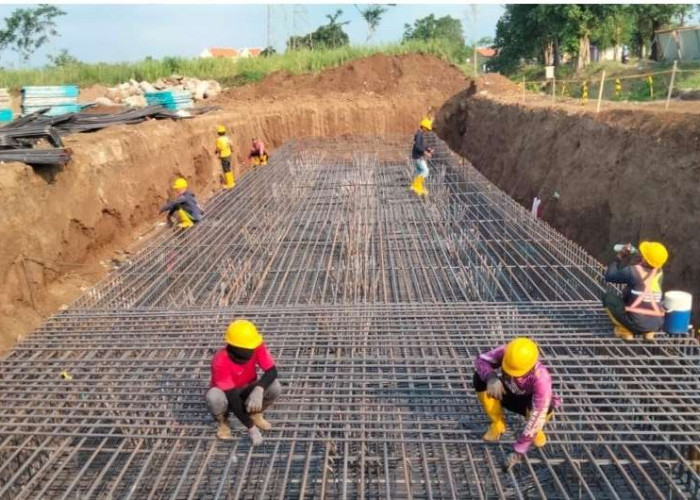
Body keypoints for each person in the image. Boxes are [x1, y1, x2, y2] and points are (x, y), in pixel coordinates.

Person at [473, 337, 560, 470]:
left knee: (546, 408)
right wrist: (491, 377)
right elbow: (481, 360)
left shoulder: (542, 378)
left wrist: (519, 450)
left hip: (527, 403)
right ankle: (497, 423)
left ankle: (536, 432)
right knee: (479, 378)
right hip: (506, 391)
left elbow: (538, 414)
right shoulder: (507, 352)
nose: (511, 373)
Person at [206, 319, 282, 446]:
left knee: (275, 386)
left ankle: (255, 413)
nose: (252, 350)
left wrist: (259, 389)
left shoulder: (255, 345)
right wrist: (250, 428)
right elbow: (233, 399)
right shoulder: (220, 361)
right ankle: (223, 421)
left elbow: (272, 371)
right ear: (236, 347)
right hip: (226, 394)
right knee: (213, 397)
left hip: (247, 388)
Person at [603, 241, 667, 342]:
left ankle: (625, 331)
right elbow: (642, 283)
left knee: (608, 297)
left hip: (636, 322)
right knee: (642, 298)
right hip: (656, 323)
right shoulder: (659, 272)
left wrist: (620, 256)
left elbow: (609, 276)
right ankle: (648, 333)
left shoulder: (633, 272)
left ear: (645, 259)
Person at [410, 118, 434, 196]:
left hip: (416, 156)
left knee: (419, 172)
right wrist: (425, 153)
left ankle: (417, 187)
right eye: (427, 129)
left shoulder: (420, 134)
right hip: (418, 157)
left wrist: (427, 149)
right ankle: (415, 186)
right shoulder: (419, 134)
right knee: (425, 171)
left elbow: (421, 145)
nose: (427, 131)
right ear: (423, 127)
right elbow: (417, 146)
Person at [216, 125, 235, 189]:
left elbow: (218, 148)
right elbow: (231, 144)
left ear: (218, 133)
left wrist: (217, 153)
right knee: (229, 168)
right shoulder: (227, 138)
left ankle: (229, 184)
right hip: (229, 154)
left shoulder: (218, 140)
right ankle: (231, 182)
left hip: (224, 156)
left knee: (226, 169)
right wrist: (232, 150)